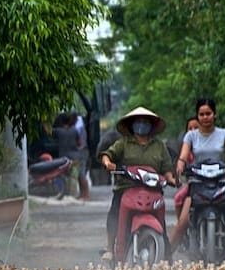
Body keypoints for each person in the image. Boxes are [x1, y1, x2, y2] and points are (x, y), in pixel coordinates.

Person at [170, 99, 225, 263]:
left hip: (220, 182)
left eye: (208, 113)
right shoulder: (191, 136)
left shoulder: (224, 134)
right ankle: (166, 258)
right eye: (201, 114)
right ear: (197, 116)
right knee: (182, 223)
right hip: (197, 183)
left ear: (214, 115)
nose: (205, 117)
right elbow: (183, 155)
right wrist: (180, 166)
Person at [98, 106, 177, 261]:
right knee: (114, 211)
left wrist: (171, 178)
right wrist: (107, 162)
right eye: (138, 121)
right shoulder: (124, 143)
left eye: (145, 122)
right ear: (132, 125)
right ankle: (110, 248)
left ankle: (166, 256)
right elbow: (108, 154)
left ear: (151, 125)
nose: (142, 124)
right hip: (127, 187)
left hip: (153, 189)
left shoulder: (159, 146)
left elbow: (167, 168)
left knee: (162, 221)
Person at [53, 113, 82, 199]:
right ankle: (72, 195)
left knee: (63, 176)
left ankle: (63, 193)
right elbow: (79, 143)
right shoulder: (75, 130)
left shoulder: (57, 131)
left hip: (63, 158)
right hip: (74, 158)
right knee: (73, 177)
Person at [71, 112, 91, 200]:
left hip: (82, 152)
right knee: (80, 174)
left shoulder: (79, 128)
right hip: (82, 151)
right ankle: (82, 194)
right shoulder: (80, 125)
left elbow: (81, 143)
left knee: (82, 174)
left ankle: (86, 195)